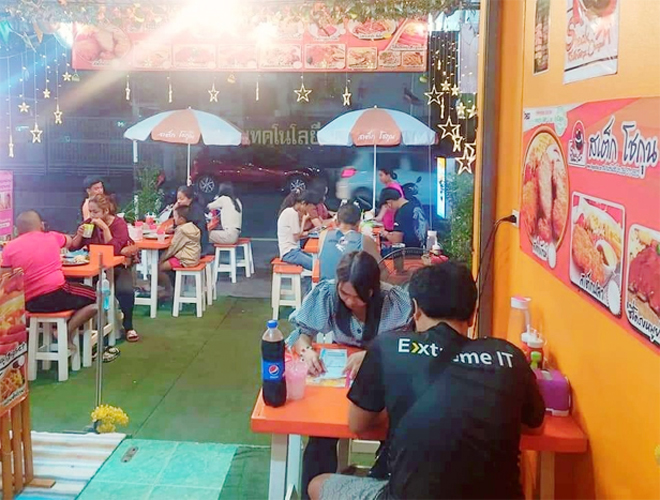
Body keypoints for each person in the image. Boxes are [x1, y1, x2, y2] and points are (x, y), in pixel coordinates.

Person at [309, 262, 546, 500]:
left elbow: (358, 423)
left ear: (416, 309)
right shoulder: (510, 356)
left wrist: (399, 406)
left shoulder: (388, 346)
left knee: (318, 484)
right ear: (473, 314)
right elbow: (536, 427)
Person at [287, 251, 412, 499]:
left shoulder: (394, 302)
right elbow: (302, 334)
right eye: (344, 293)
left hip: (382, 385)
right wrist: (307, 352)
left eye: (357, 296)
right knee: (320, 438)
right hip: (337, 381)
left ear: (373, 290)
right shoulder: (328, 294)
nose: (349, 301)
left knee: (393, 437)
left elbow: (407, 346)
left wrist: (372, 357)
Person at [1, 211, 97, 347]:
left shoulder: (9, 248)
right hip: (56, 294)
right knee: (99, 297)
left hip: (28, 303)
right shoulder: (52, 237)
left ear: (17, 229)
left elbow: (5, 278)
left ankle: (55, 329)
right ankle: (65, 331)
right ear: (41, 225)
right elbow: (70, 242)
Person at [71, 194, 140, 348]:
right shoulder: (89, 224)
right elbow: (73, 247)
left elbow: (114, 250)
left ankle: (128, 326)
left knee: (125, 290)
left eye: (95, 212)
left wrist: (104, 228)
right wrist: (79, 235)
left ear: (105, 211)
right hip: (94, 267)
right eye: (90, 211)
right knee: (76, 286)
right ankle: (80, 327)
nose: (92, 215)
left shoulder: (119, 224)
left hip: (117, 267)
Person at [318, 204, 380, 281]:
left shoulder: (323, 235)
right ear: (358, 223)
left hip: (325, 287)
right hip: (351, 288)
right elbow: (381, 269)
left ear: (336, 222)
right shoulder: (365, 240)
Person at [158, 206, 201, 298]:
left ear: (181, 219)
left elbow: (173, 248)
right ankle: (170, 288)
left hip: (185, 260)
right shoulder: (192, 227)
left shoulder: (181, 230)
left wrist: (162, 258)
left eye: (175, 217)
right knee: (164, 264)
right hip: (193, 258)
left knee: (158, 268)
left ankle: (168, 290)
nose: (174, 219)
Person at [277, 191, 315, 271]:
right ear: (303, 203)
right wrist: (304, 220)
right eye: (307, 207)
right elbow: (297, 237)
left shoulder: (289, 211)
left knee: (317, 261)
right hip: (290, 253)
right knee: (316, 265)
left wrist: (309, 232)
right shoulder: (292, 213)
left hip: (293, 251)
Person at [174, 186, 212, 256]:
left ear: (190, 198)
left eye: (182, 199)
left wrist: (174, 210)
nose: (179, 201)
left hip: (198, 247)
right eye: (178, 199)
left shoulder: (194, 210)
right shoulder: (185, 207)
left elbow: (178, 223)